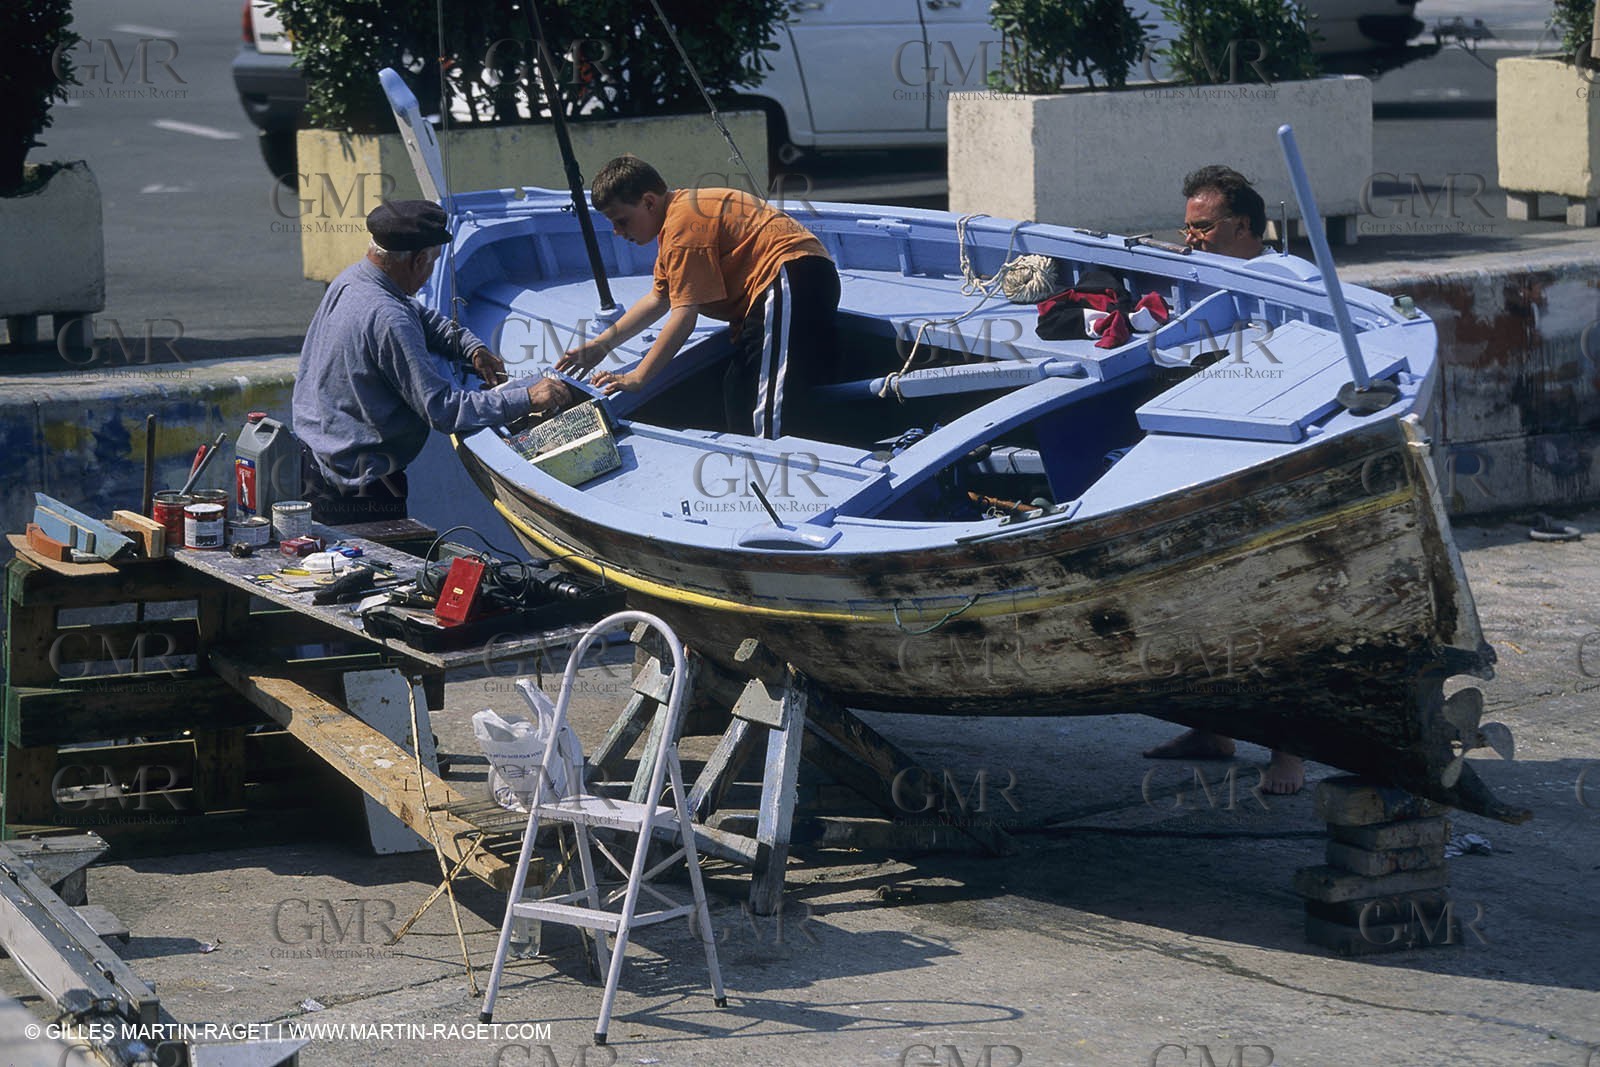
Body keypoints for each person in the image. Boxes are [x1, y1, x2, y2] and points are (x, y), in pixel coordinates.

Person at [1141, 165, 1305, 796]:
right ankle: (1209, 730)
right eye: (1186, 226)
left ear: (1241, 225)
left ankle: (1288, 755)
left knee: (1272, 614)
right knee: (1192, 607)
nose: (1191, 238)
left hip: (1262, 468)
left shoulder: (1290, 283)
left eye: (1203, 226)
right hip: (1203, 458)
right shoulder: (1201, 278)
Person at [293, 199, 567, 524]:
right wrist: (528, 397)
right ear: (418, 260)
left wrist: (470, 347)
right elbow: (443, 410)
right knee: (380, 571)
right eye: (433, 262)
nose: (430, 272)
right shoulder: (388, 318)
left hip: (316, 458)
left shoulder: (354, 280)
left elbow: (418, 314)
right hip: (358, 487)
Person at [556, 155, 840, 438]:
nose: (617, 232)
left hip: (791, 277)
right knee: (739, 388)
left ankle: (769, 472)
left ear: (649, 202)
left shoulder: (684, 226)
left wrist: (638, 377)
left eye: (622, 221)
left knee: (761, 403)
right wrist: (601, 346)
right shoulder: (678, 220)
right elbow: (658, 299)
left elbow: (683, 316)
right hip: (799, 282)